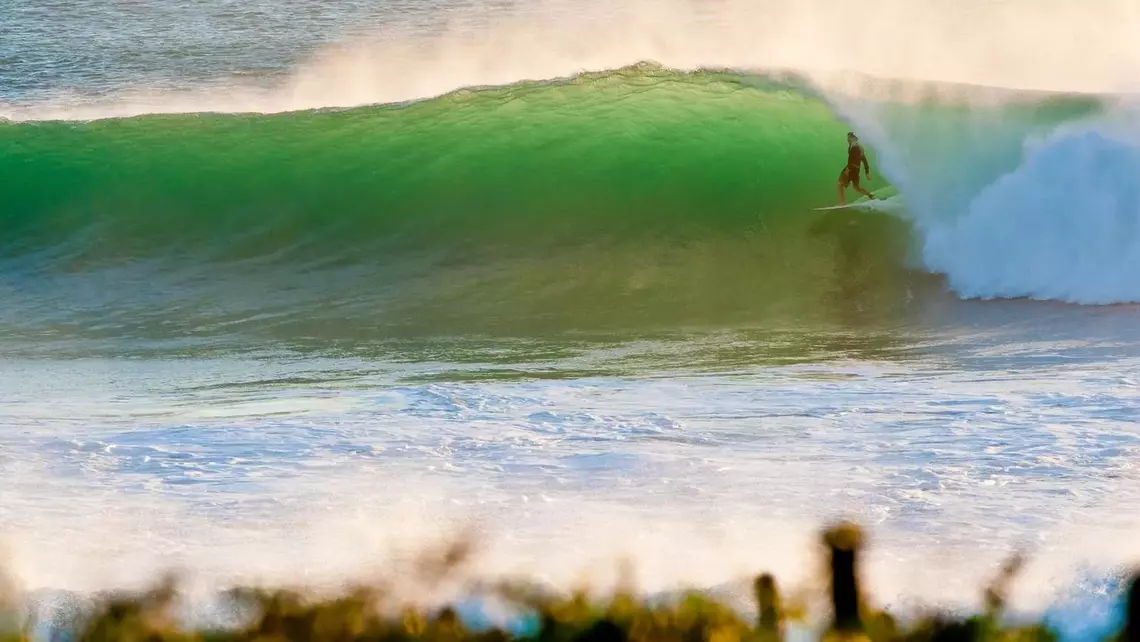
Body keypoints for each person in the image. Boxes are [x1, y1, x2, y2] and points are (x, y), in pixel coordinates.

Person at [837, 132, 875, 205]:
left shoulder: (854, 147)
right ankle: (871, 196)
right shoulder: (859, 148)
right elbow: (864, 160)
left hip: (851, 168)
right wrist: (867, 172)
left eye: (849, 138)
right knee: (857, 187)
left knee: (840, 184)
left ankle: (842, 203)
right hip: (856, 169)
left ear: (854, 138)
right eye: (847, 138)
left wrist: (848, 170)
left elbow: (851, 159)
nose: (847, 139)